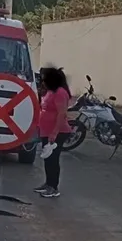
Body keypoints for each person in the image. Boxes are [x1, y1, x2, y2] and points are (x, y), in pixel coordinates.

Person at [34, 67, 72, 198]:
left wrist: (54, 133)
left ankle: (54, 187)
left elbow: (61, 114)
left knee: (53, 159)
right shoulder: (50, 91)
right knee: (47, 159)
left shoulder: (60, 93)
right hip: (46, 131)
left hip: (57, 132)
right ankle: (48, 183)